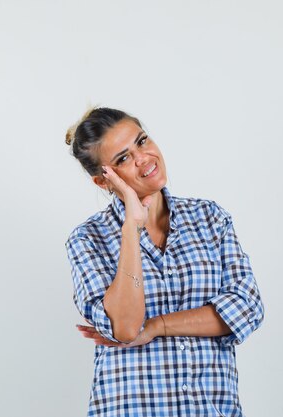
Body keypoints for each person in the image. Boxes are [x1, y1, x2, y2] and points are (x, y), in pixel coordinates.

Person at [65, 107, 264, 417]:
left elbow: (246, 309)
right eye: (123, 159)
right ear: (103, 181)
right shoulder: (88, 240)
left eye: (142, 141)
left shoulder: (210, 219)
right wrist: (131, 228)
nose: (143, 157)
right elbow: (127, 327)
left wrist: (158, 326)